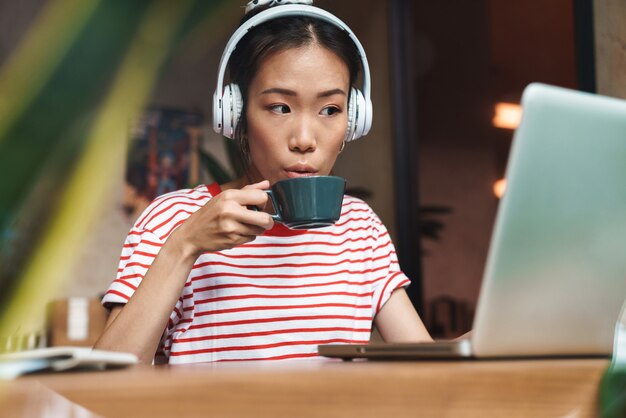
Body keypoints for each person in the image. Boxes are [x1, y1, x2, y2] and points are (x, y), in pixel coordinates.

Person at [94, 0, 432, 364]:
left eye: (330, 110)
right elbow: (105, 380)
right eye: (280, 107)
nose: (304, 138)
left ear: (354, 119)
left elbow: (426, 367)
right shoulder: (172, 220)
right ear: (235, 112)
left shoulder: (360, 228)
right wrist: (185, 246)